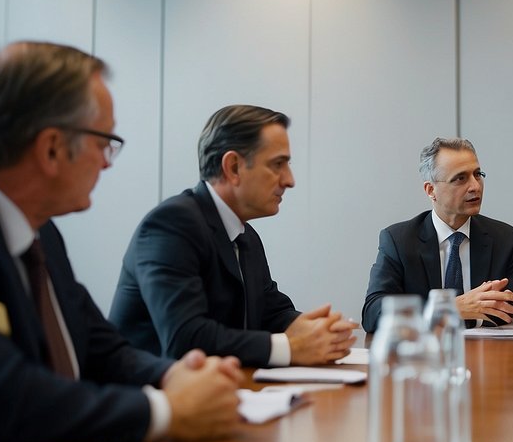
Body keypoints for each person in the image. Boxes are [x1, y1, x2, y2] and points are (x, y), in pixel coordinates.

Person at [0, 42, 241, 442]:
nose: (107, 162)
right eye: (103, 143)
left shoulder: (40, 229)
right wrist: (166, 411)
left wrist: (172, 376)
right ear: (52, 148)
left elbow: (100, 347)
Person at [110, 105, 355, 366]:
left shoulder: (245, 235)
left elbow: (272, 313)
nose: (289, 180)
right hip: (148, 397)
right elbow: (185, 339)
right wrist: (290, 347)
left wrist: (315, 330)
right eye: (278, 164)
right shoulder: (171, 225)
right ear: (234, 167)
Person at [362, 137, 513, 334]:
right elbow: (373, 312)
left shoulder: (503, 238)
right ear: (431, 190)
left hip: (487, 357)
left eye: (477, 174)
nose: (475, 186)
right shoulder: (398, 240)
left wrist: (509, 308)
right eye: (460, 178)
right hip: (423, 357)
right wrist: (451, 308)